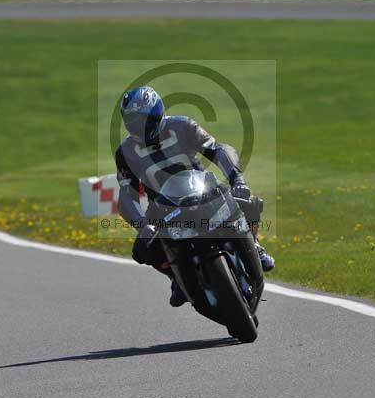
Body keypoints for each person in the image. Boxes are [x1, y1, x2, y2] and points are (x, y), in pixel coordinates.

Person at [115, 86, 275, 307]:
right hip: (163, 206)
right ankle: (176, 276)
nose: (139, 126)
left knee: (248, 203)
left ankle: (255, 244)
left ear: (157, 113)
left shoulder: (182, 125)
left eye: (143, 119)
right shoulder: (125, 152)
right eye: (132, 120)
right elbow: (125, 195)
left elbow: (217, 150)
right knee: (143, 249)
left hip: (203, 189)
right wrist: (143, 225)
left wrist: (237, 180)